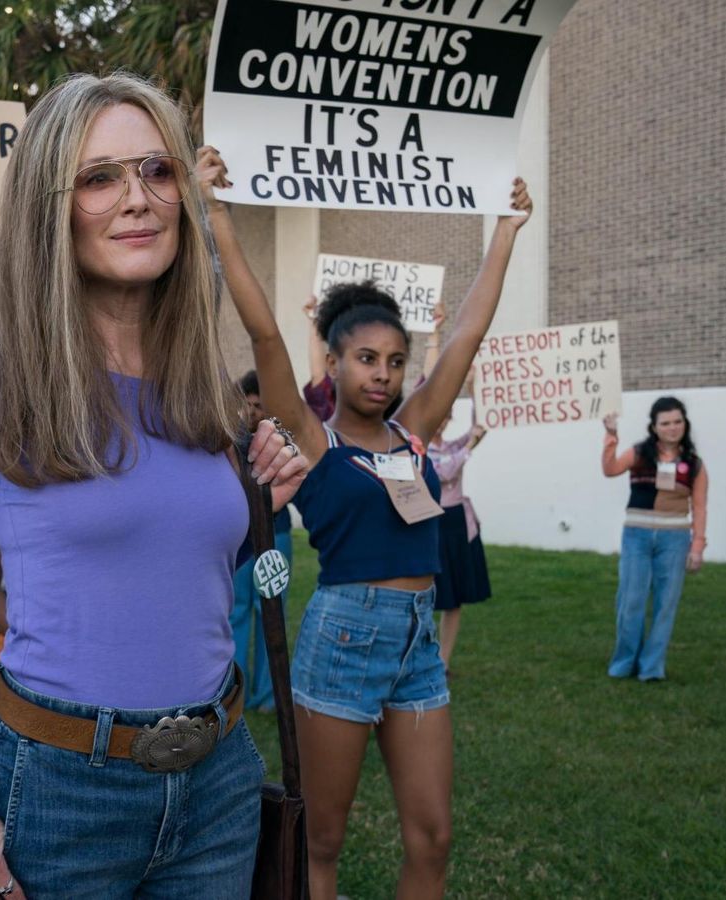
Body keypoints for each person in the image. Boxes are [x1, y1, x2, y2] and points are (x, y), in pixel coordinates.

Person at [0, 73, 308, 900]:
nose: (139, 198)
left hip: (217, 781)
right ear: (47, 206)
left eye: (159, 172)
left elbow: (175, 578)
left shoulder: (201, 382)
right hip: (56, 793)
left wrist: (266, 502)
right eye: (99, 178)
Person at [200, 143, 530, 900]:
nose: (381, 373)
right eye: (365, 359)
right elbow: (265, 338)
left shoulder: (416, 429)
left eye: (393, 360)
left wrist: (506, 229)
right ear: (337, 362)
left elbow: (469, 336)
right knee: (322, 838)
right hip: (344, 638)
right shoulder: (316, 443)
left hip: (418, 640)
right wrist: (217, 215)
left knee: (434, 836)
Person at [600, 398, 709, 681]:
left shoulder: (694, 464)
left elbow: (699, 507)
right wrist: (611, 434)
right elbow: (610, 469)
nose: (672, 428)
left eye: (677, 422)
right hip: (637, 535)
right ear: (654, 427)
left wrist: (697, 546)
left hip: (675, 539)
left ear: (685, 424)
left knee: (666, 603)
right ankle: (624, 662)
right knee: (631, 600)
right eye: (666, 423)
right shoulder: (639, 453)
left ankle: (651, 668)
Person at [230, 370, 291, 711]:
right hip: (239, 538)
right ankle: (236, 691)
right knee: (237, 613)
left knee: (272, 612)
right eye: (248, 404)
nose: (253, 412)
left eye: (259, 405)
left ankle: (268, 697)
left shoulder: (281, 440)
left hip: (276, 534)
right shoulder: (227, 439)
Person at [427, 403, 491, 671]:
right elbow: (444, 471)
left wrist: (476, 388)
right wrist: (470, 445)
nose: (441, 422)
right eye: (437, 416)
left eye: (445, 416)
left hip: (458, 524)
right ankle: (423, 658)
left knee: (454, 599)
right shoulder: (421, 450)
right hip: (433, 525)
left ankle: (443, 662)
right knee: (430, 595)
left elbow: (478, 428)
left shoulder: (451, 446)